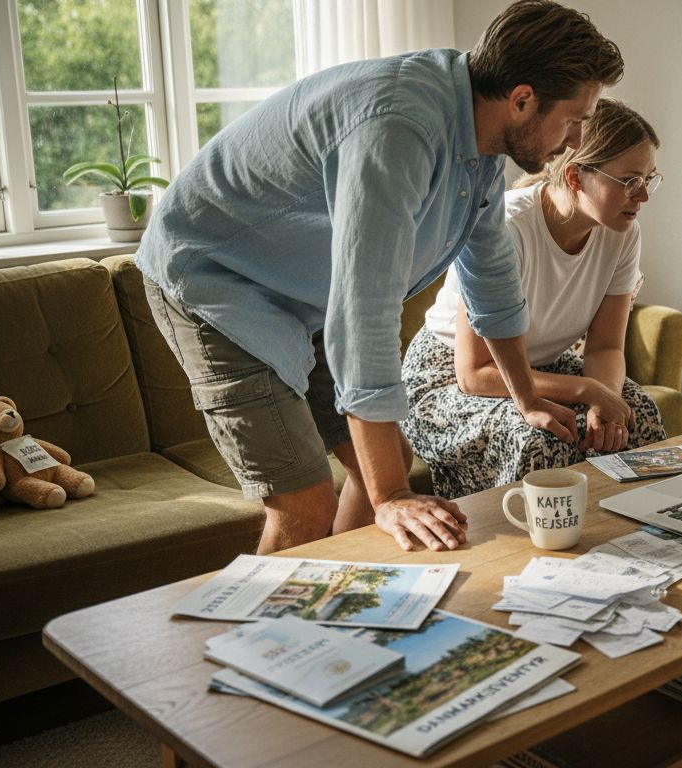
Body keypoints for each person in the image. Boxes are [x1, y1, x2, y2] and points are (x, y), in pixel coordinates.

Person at [135, 1, 623, 554]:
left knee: (390, 461)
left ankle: (338, 610)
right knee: (305, 503)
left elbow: (491, 278)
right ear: (522, 100)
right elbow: (364, 312)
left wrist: (525, 395)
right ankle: (248, 640)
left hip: (298, 294)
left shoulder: (480, 135)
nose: (578, 138)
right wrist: (391, 494)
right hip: (214, 279)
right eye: (575, 118)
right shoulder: (401, 125)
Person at [402, 99, 667, 499]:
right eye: (630, 181)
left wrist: (604, 402)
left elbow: (608, 345)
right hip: (448, 379)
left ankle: (637, 538)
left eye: (650, 178)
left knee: (636, 414)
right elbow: (474, 374)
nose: (643, 195)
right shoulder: (508, 229)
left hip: (537, 366)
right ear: (576, 177)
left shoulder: (623, 233)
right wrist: (587, 391)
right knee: (537, 439)